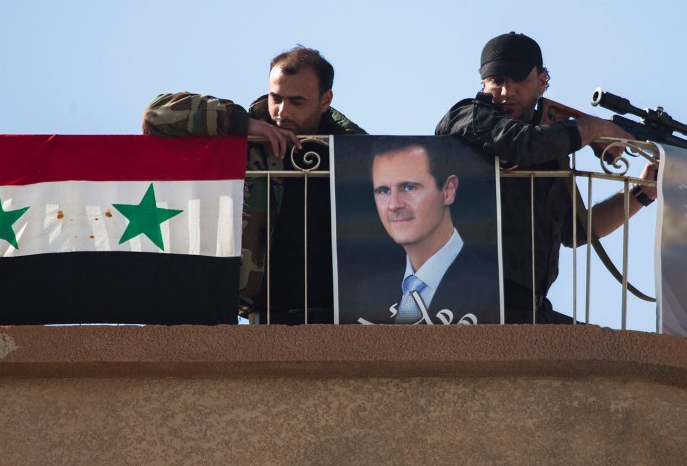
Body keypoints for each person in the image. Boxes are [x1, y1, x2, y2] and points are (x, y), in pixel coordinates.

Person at [436, 31, 657, 323]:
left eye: (518, 80)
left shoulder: (549, 148)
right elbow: (521, 144)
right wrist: (589, 130)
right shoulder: (468, 116)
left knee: (611, 354)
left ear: (542, 82)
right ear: (483, 83)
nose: (506, 91)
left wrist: (642, 193)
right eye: (497, 81)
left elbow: (576, 230)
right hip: (467, 302)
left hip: (528, 307)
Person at [142, 46, 366, 324]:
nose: (282, 111)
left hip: (341, 314)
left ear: (325, 100)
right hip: (264, 312)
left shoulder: (356, 151)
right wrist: (245, 126)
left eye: (297, 101)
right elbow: (156, 115)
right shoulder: (245, 135)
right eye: (276, 98)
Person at [351, 137, 501, 324]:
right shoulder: (369, 293)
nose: (393, 205)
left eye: (408, 187)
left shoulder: (495, 286)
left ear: (448, 190)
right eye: (383, 190)